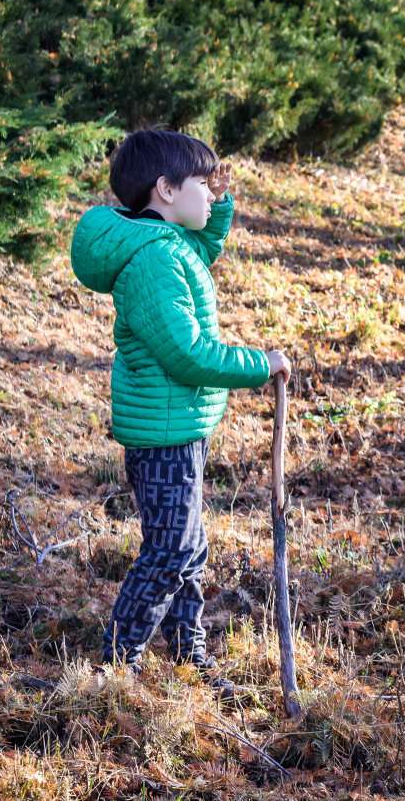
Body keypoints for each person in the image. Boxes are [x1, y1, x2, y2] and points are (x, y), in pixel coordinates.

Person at [70, 128, 290, 698]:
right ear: (165, 190)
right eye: (202, 184)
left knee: (189, 548)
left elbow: (203, 249)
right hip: (163, 436)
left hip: (177, 427)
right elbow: (186, 353)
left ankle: (188, 653)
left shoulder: (166, 243)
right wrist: (258, 364)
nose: (212, 196)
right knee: (172, 550)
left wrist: (221, 200)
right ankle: (117, 665)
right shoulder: (153, 262)